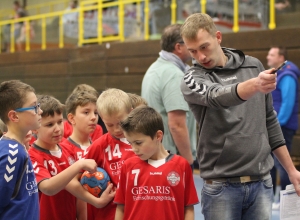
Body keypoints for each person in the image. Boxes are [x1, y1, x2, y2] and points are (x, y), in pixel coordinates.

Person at [179, 13, 300, 219]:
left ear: (218, 37)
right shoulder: (192, 78)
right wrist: (255, 85)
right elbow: (216, 96)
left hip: (261, 183)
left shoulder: (253, 66)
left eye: (204, 47)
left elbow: (269, 120)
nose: (200, 57)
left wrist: (291, 170)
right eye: (192, 51)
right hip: (220, 187)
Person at [28, 94, 115, 220]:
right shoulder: (32, 155)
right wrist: (79, 164)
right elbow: (48, 188)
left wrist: (94, 205)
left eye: (59, 122)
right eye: (49, 125)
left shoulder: (68, 150)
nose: (57, 129)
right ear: (35, 128)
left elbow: (77, 191)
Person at [114, 106, 199, 220]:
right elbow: (121, 207)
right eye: (130, 143)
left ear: (158, 136)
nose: (134, 149)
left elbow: (188, 208)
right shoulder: (128, 166)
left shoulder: (181, 165)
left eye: (138, 143)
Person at [141, 24, 196, 168]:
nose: (193, 47)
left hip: (157, 156)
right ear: (178, 47)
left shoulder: (154, 69)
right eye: (189, 42)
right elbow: (176, 125)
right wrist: (188, 161)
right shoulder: (173, 74)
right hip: (171, 160)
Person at [84, 88, 136, 220]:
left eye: (121, 123)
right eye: (110, 125)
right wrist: (96, 201)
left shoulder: (143, 141)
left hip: (137, 210)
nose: (117, 129)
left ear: (131, 112)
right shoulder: (99, 145)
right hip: (108, 214)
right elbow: (77, 177)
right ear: (102, 118)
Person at [0, 80, 40, 219]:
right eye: (34, 107)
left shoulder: (19, 148)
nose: (39, 111)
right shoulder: (12, 153)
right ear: (14, 116)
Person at [266, 46, 300, 208]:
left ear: (281, 57)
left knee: (283, 164)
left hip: (282, 127)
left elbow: (287, 102)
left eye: (272, 54)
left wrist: (276, 125)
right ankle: (271, 197)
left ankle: (285, 200)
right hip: (275, 126)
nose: (268, 57)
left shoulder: (288, 75)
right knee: (271, 164)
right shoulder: (277, 73)